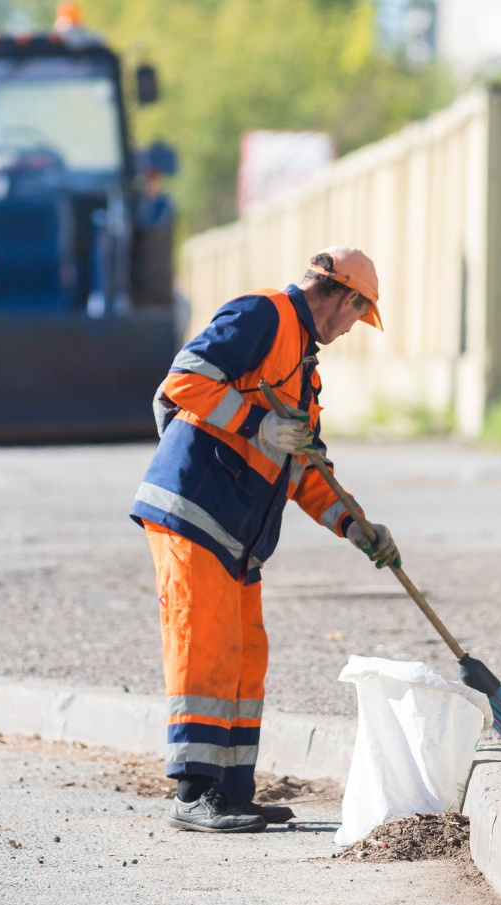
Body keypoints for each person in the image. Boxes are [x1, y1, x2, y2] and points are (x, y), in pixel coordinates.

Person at [129, 247, 400, 833]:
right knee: (203, 645)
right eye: (359, 314)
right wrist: (258, 424)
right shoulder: (262, 315)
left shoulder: (306, 371)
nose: (353, 328)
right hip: (195, 508)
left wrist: (357, 526)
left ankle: (229, 791)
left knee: (244, 655)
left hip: (237, 534)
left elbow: (307, 472)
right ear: (346, 297)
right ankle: (193, 793)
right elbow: (185, 381)